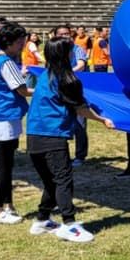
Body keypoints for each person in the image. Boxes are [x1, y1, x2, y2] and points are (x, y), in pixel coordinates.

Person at [25, 37, 114, 243]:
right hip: (53, 136)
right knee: (63, 180)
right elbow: (81, 109)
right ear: (66, 55)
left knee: (51, 181)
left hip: (33, 136)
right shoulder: (67, 80)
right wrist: (102, 120)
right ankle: (69, 224)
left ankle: (42, 220)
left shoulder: (45, 76)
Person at [0, 21, 31, 224]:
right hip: (4, 117)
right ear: (9, 42)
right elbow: (22, 90)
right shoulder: (6, 62)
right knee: (5, 167)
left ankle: (8, 205)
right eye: (20, 42)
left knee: (7, 164)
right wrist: (47, 89)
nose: (22, 45)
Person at [54, 25, 90, 167]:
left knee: (79, 125)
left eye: (67, 34)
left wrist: (66, 74)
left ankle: (80, 156)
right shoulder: (54, 50)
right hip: (59, 91)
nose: (64, 36)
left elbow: (81, 65)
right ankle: (62, 155)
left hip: (76, 91)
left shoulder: (77, 49)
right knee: (61, 122)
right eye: (61, 34)